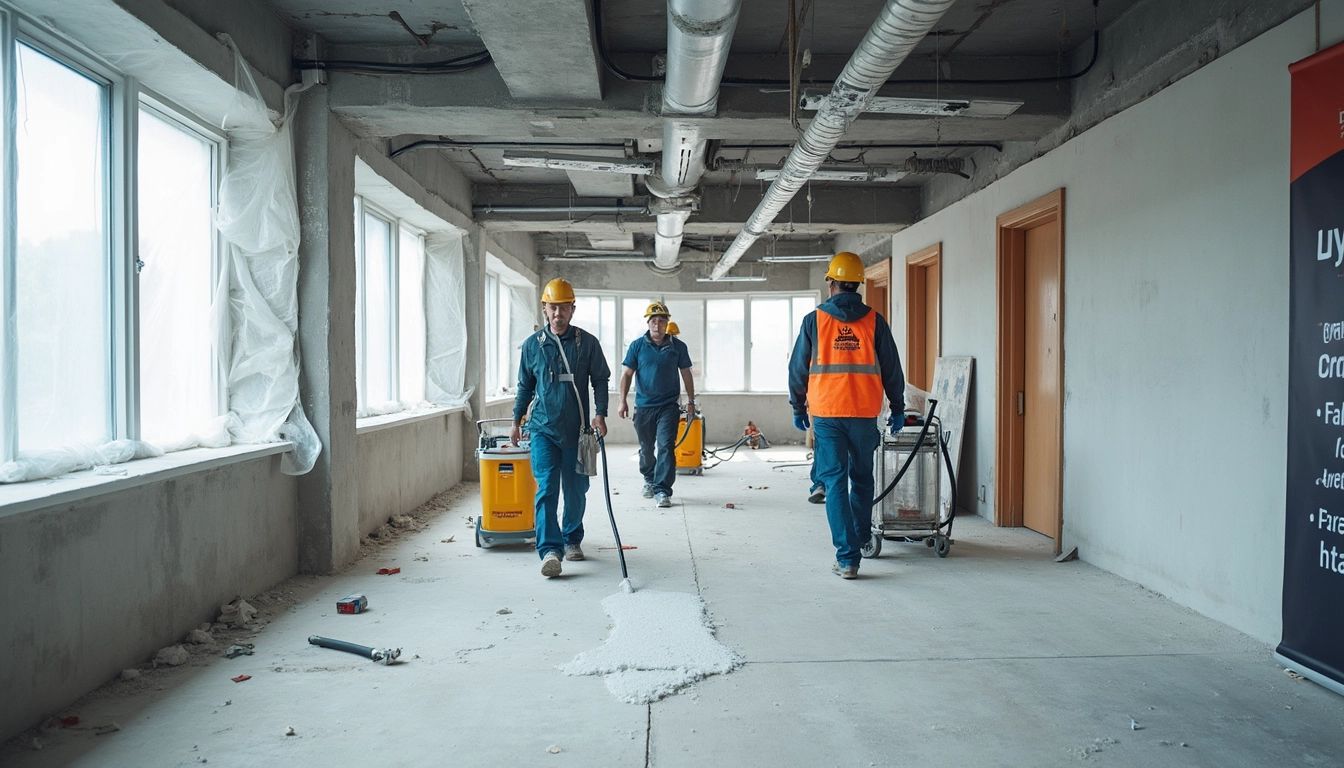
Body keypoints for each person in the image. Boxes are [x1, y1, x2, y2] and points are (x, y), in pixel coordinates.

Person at [788, 252, 905, 580]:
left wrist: (798, 407)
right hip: (865, 413)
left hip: (827, 414)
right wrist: (898, 408)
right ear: (858, 284)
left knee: (835, 482)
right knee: (863, 478)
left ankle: (847, 557)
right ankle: (862, 536)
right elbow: (893, 370)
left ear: (832, 283)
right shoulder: (875, 321)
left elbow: (798, 368)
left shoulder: (814, 321)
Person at [512, 278, 610, 578]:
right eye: (553, 307)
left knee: (577, 489)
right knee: (547, 489)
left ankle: (571, 538)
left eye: (564, 307)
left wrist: (600, 414)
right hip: (543, 430)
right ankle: (550, 550)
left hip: (578, 431)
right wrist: (516, 421)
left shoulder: (587, 343)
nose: (558, 313)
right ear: (545, 309)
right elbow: (524, 386)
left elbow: (600, 380)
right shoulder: (532, 347)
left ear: (572, 309)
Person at [617, 301, 695, 508]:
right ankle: (649, 479)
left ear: (667, 323)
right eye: (653, 321)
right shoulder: (637, 346)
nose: (657, 325)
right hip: (643, 407)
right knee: (646, 448)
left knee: (666, 447)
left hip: (668, 406)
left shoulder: (678, 347)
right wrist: (622, 400)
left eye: (661, 321)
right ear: (648, 322)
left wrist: (691, 401)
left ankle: (662, 490)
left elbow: (686, 374)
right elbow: (626, 374)